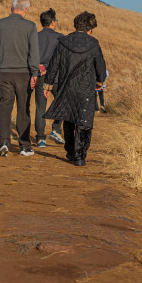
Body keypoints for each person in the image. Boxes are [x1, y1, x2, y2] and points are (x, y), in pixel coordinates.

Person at [44, 11, 107, 167]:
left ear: (76, 25)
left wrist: (48, 84)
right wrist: (100, 81)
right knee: (84, 122)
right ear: (90, 29)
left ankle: (70, 152)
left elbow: (54, 65)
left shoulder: (63, 42)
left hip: (66, 87)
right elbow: (100, 66)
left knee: (69, 119)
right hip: (85, 88)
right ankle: (80, 156)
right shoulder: (94, 44)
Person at [0, 0, 40, 157]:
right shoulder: (30, 26)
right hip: (24, 75)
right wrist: (35, 73)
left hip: (4, 73)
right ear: (26, 10)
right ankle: (25, 146)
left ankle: (4, 142)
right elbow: (34, 53)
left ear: (11, 7)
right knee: (23, 109)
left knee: (4, 107)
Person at [34, 8, 64, 147]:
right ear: (53, 22)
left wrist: (40, 68)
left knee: (40, 107)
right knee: (62, 102)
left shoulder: (34, 36)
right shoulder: (60, 38)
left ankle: (40, 138)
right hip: (56, 77)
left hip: (40, 75)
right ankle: (56, 129)